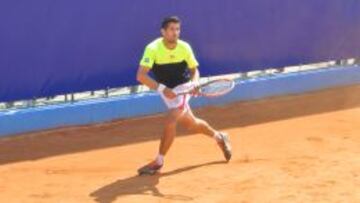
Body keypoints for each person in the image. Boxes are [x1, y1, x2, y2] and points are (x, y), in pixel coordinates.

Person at [136, 16, 232, 175]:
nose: (176, 33)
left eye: (178, 29)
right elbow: (141, 76)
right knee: (192, 124)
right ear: (163, 32)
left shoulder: (185, 47)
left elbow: (194, 70)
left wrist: (194, 83)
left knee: (171, 119)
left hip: (183, 87)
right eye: (172, 29)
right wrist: (162, 89)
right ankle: (220, 137)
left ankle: (159, 161)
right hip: (167, 91)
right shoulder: (152, 48)